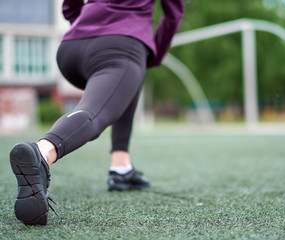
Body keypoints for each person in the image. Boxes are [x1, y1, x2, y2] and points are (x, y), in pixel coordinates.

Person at [9, 0, 184, 225]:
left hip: (72, 47)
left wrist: (87, 24)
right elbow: (173, 13)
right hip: (123, 41)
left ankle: (121, 167)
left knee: (125, 82)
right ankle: (42, 152)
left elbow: (69, 5)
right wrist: (153, 55)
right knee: (94, 112)